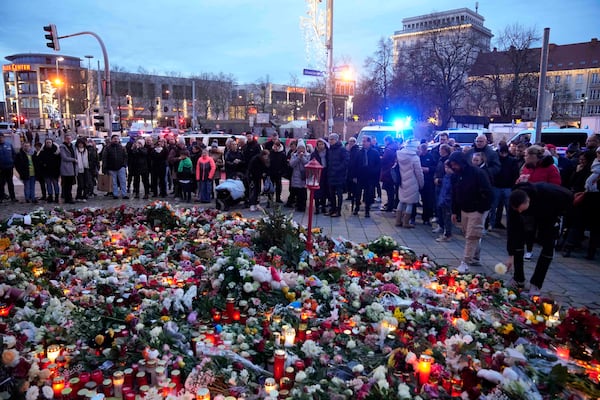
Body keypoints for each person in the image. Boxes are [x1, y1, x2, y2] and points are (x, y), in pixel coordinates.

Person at [505, 182, 573, 296]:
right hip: (531, 216)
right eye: (518, 210)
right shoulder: (514, 204)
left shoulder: (549, 193)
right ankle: (518, 279)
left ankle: (536, 284)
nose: (520, 212)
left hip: (550, 215)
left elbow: (570, 199)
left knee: (548, 246)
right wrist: (511, 255)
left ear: (528, 201)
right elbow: (512, 230)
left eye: (521, 209)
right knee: (518, 241)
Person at [448, 151, 493, 272]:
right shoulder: (456, 175)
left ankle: (465, 262)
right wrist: (454, 211)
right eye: (452, 165)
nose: (454, 167)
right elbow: (454, 194)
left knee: (471, 235)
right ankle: (475, 257)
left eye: (455, 164)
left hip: (477, 209)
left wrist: (480, 209)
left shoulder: (477, 173)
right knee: (469, 233)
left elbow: (487, 192)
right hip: (464, 208)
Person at [395, 140, 424, 228]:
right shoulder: (415, 158)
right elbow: (419, 172)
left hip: (402, 180)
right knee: (410, 203)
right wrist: (421, 183)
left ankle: (398, 221)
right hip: (412, 182)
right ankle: (406, 222)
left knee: (401, 201)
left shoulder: (400, 155)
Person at [351, 135, 381, 218]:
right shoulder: (359, 153)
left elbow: (378, 165)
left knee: (368, 194)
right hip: (360, 176)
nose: (363, 143)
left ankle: (367, 210)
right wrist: (354, 176)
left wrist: (374, 173)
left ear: (369, 142)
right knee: (358, 193)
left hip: (370, 176)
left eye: (364, 141)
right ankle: (356, 208)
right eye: (363, 141)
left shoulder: (374, 152)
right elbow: (354, 165)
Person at [327, 133, 349, 217]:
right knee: (331, 194)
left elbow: (346, 161)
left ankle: (338, 211)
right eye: (329, 139)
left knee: (339, 194)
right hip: (331, 175)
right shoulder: (330, 150)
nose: (330, 141)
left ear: (336, 140)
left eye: (332, 139)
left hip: (339, 176)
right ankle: (332, 209)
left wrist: (338, 169)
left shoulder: (342, 149)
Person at [102, 134, 129, 200]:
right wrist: (105, 167)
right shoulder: (107, 148)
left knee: (123, 181)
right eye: (114, 139)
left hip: (121, 167)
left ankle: (124, 194)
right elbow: (104, 158)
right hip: (111, 167)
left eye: (117, 139)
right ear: (112, 140)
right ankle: (115, 194)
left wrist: (124, 165)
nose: (116, 140)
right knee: (113, 182)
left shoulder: (122, 147)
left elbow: (125, 156)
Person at [435, 161, 454, 242]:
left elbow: (449, 190)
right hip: (443, 200)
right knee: (444, 217)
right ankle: (446, 232)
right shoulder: (446, 176)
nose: (446, 169)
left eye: (448, 168)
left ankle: (447, 234)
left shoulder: (452, 178)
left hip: (448, 201)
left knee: (447, 218)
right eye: (445, 167)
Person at [289, 141, 310, 212]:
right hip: (296, 176)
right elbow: (291, 164)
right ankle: (297, 205)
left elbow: (308, 164)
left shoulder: (308, 155)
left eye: (302, 148)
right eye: (299, 148)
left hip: (304, 176)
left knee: (303, 192)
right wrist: (298, 157)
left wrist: (302, 157)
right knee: (297, 192)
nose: (301, 149)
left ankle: (303, 206)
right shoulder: (294, 155)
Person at [379, 135, 399, 213]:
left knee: (389, 189)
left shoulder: (388, 149)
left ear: (387, 140)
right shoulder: (395, 147)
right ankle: (391, 203)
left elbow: (385, 160)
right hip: (393, 171)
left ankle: (390, 205)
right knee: (391, 189)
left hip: (387, 171)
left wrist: (381, 158)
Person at [310, 138, 329, 214]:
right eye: (319, 144)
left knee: (325, 190)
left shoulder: (328, 153)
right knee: (317, 191)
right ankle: (317, 207)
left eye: (322, 144)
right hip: (317, 173)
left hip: (325, 172)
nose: (321, 146)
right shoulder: (314, 154)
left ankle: (323, 206)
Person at [39, 138, 61, 203]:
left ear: (52, 143)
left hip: (55, 171)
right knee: (48, 184)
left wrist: (58, 169)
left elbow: (59, 161)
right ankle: (50, 196)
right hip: (46, 171)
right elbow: (40, 160)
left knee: (55, 184)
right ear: (45, 143)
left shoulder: (56, 151)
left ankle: (57, 196)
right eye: (47, 142)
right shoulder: (43, 151)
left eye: (49, 142)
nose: (48, 143)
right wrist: (43, 164)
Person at [59, 133, 77, 204]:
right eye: (67, 139)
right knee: (66, 185)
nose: (69, 140)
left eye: (70, 138)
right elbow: (64, 157)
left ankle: (69, 197)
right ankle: (67, 198)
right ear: (65, 139)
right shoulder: (62, 147)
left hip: (72, 168)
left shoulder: (72, 146)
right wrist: (73, 160)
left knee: (70, 185)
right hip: (66, 168)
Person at [268, 140, 287, 204]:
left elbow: (284, 164)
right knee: (271, 187)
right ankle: (270, 199)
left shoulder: (282, 154)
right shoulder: (271, 153)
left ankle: (278, 198)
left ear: (279, 147)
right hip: (271, 172)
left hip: (278, 173)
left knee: (278, 187)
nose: (275, 148)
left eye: (277, 147)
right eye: (274, 147)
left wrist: (282, 172)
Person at [0, 132, 17, 203]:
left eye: (1, 137)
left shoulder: (9, 145)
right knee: (1, 183)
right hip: (0, 169)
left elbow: (14, 154)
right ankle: (1, 197)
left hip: (9, 167)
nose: (0, 139)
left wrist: (13, 163)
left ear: (4, 137)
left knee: (10, 183)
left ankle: (13, 197)